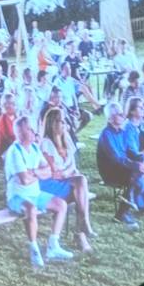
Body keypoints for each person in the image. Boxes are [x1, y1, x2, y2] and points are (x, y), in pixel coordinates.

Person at [5, 113, 73, 270]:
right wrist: (38, 174)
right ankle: (34, 249)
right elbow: (24, 180)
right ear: (20, 132)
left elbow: (49, 171)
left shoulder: (35, 147)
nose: (34, 132)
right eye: (30, 129)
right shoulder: (15, 151)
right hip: (17, 196)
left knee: (61, 205)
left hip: (35, 193)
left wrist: (34, 172)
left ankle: (53, 246)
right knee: (30, 208)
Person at [95, 102, 144, 224]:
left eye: (122, 113)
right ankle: (124, 212)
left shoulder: (124, 131)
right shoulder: (107, 134)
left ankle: (127, 208)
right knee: (139, 180)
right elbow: (116, 158)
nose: (123, 115)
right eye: (119, 114)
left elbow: (135, 151)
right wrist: (136, 165)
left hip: (123, 166)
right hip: (111, 170)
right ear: (110, 118)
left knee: (142, 174)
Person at [40, 106, 93, 251]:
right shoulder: (46, 143)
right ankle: (82, 231)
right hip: (50, 185)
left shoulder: (67, 140)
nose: (64, 124)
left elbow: (73, 167)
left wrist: (67, 173)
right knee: (81, 187)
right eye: (60, 121)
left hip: (65, 182)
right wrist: (68, 173)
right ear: (52, 123)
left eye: (64, 121)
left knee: (80, 188)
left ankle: (82, 229)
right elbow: (54, 173)